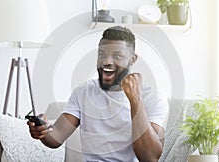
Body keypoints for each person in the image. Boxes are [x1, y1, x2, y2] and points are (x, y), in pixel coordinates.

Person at [27, 26, 169, 162]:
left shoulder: (153, 99)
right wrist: (43, 131)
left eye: (117, 56)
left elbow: (150, 157)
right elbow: (57, 136)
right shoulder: (83, 92)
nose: (106, 62)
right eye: (102, 54)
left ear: (132, 60)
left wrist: (135, 99)